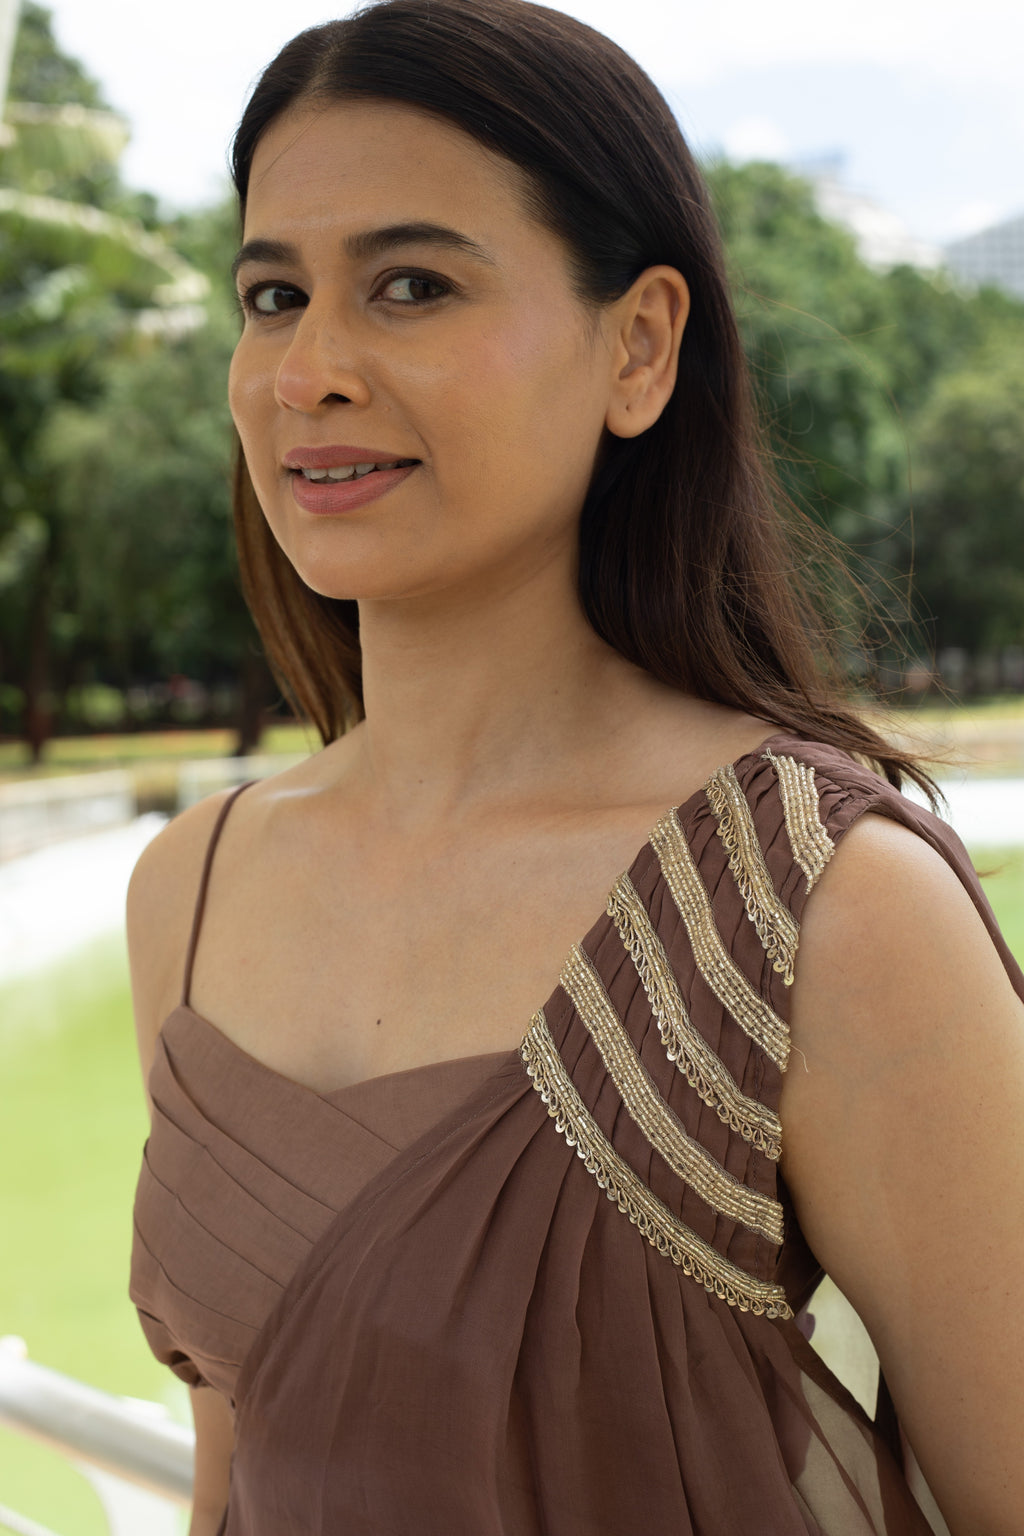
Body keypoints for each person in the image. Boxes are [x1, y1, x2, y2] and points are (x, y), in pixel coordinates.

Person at [125, 2, 1024, 1532]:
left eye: (411, 285)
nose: (311, 368)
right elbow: (237, 1490)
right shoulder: (196, 891)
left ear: (639, 345)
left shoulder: (826, 909)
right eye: (273, 295)